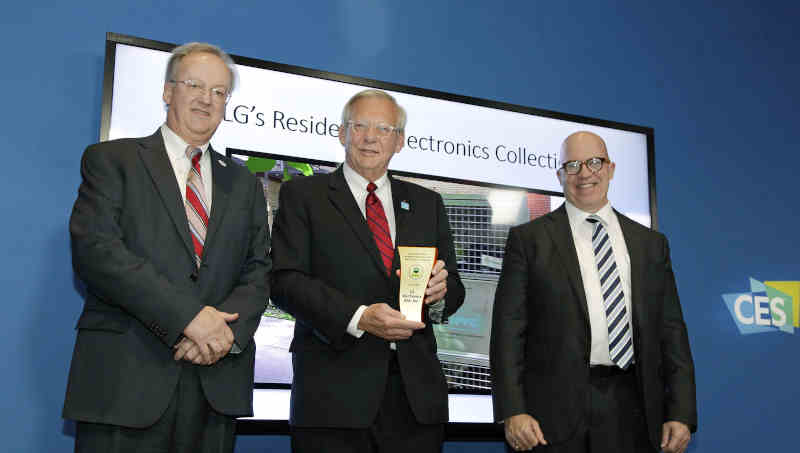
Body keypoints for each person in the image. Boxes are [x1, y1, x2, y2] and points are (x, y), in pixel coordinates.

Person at [63, 42, 271, 453]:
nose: (206, 99)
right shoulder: (112, 160)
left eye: (218, 92)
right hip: (125, 382)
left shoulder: (244, 183)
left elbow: (259, 269)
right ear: (167, 91)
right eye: (195, 84)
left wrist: (222, 334)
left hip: (215, 383)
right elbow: (98, 252)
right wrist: (188, 318)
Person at [270, 89, 465, 453]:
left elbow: (453, 288)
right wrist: (358, 317)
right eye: (359, 125)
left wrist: (440, 292)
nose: (371, 137)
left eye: (384, 128)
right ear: (342, 133)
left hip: (415, 403)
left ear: (400, 141)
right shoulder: (303, 196)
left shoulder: (428, 203)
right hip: (333, 400)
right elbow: (284, 281)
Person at [490, 131, 697, 453]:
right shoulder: (529, 240)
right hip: (550, 418)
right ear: (560, 176)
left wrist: (681, 412)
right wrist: (513, 409)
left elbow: (672, 331)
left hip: (636, 411)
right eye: (572, 165)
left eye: (594, 162)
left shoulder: (651, 245)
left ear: (611, 169)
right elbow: (508, 331)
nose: (585, 173)